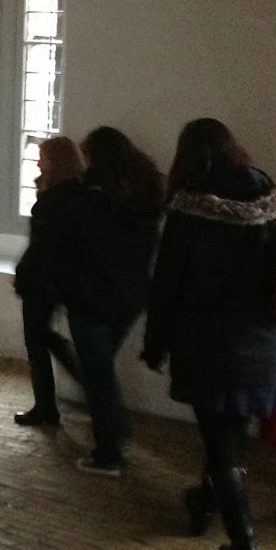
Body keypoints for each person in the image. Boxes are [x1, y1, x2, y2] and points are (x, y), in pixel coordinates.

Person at [141, 118, 276, 550]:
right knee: (230, 438)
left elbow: (166, 286)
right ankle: (204, 506)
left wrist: (155, 344)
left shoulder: (189, 211)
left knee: (221, 442)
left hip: (206, 345)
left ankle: (243, 544)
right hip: (264, 343)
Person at [55, 127, 164, 475]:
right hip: (130, 297)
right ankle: (115, 429)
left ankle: (108, 453)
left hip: (92, 298)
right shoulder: (147, 198)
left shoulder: (91, 201)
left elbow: (73, 244)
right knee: (100, 372)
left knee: (98, 376)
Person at [12, 136, 85, 427]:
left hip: (41, 281)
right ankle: (55, 400)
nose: (38, 163)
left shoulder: (55, 199)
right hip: (55, 280)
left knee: (37, 343)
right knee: (43, 338)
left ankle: (46, 407)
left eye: (43, 158)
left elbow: (43, 246)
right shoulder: (76, 193)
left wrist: (24, 274)